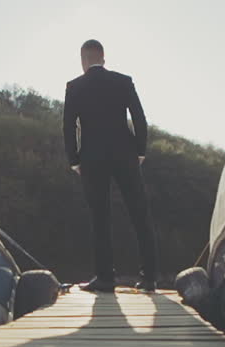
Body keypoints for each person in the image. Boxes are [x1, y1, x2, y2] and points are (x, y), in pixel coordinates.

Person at [63, 39, 157, 293]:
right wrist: (140, 151)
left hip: (92, 158)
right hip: (125, 154)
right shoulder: (123, 81)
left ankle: (105, 278)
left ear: (83, 61)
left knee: (100, 218)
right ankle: (150, 278)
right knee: (140, 214)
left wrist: (74, 160)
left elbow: (68, 126)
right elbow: (139, 117)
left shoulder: (75, 86)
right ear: (103, 58)